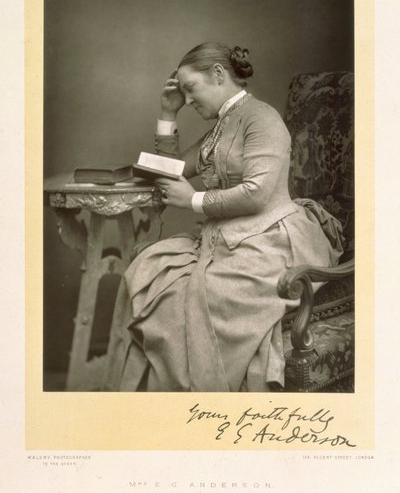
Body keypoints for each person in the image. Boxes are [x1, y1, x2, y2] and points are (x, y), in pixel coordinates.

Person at [102, 42, 344, 392]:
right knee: (146, 273)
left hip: (273, 238)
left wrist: (193, 199)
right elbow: (172, 169)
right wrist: (168, 114)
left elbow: (258, 193)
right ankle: (170, 396)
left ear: (218, 74)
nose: (188, 99)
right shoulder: (221, 125)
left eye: (190, 89)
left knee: (205, 298)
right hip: (226, 237)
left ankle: (203, 396)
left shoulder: (262, 118)